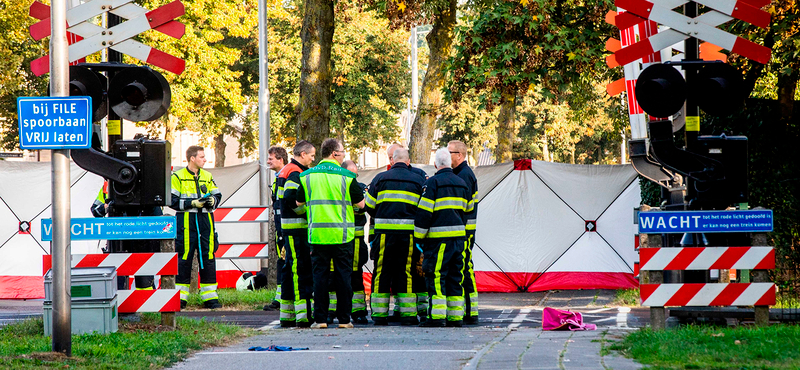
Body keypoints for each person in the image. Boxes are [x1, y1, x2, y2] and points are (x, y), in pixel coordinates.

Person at [295, 138, 365, 329]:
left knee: (320, 278)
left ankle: (320, 320)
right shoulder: (346, 176)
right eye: (342, 152)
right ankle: (344, 320)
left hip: (318, 236)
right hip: (342, 236)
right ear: (335, 154)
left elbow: (299, 204)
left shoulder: (307, 175)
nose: (344, 155)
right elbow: (361, 205)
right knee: (344, 278)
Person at [364, 147, 425, 326]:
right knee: (405, 270)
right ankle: (407, 315)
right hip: (408, 235)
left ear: (392, 161)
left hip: (384, 233)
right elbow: (423, 208)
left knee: (382, 270)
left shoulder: (380, 179)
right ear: (408, 162)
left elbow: (368, 205)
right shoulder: (418, 180)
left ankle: (379, 315)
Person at [414, 148, 472, 327]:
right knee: (455, 276)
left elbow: (424, 213)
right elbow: (468, 211)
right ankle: (455, 317)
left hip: (439, 240)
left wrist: (419, 237)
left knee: (436, 275)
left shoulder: (433, 183)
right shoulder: (462, 183)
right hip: (459, 239)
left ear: (435, 164)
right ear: (449, 163)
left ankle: (437, 317)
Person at [170, 146, 223, 309]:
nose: (204, 159)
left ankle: (210, 297)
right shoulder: (177, 177)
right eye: (201, 157)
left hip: (205, 220)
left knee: (207, 256)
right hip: (186, 222)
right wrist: (191, 203)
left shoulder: (207, 175)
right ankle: (180, 298)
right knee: (184, 258)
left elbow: (217, 194)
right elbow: (171, 200)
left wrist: (213, 201)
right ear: (192, 158)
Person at [384, 143, 429, 322]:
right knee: (397, 273)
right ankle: (400, 308)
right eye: (388, 157)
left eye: (392, 157)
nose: (390, 161)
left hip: (411, 235)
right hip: (394, 235)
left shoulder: (418, 176)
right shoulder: (384, 177)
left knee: (415, 272)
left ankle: (421, 308)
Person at [90, 180, 161, 291]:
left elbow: (157, 216)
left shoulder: (145, 186)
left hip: (141, 240)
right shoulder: (109, 186)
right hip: (118, 241)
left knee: (144, 281)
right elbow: (95, 210)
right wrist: (106, 207)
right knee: (118, 281)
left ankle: (146, 305)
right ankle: (120, 306)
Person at [326, 160, 370, 325]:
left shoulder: (361, 187)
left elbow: (363, 207)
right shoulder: (336, 187)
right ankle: (331, 310)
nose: (354, 178)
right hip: (336, 237)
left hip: (356, 239)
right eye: (351, 175)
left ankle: (358, 311)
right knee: (332, 276)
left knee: (355, 275)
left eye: (355, 175)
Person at [278, 141, 316, 327]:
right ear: (302, 154)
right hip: (296, 229)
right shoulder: (295, 172)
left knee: (290, 269)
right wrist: (309, 212)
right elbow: (291, 201)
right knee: (298, 269)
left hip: (290, 229)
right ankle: (303, 316)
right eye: (311, 155)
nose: (312, 158)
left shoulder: (287, 170)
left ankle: (288, 315)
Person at [448, 140, 480, 325]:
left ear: (459, 155)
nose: (447, 155)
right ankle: (468, 310)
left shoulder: (465, 175)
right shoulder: (460, 174)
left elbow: (463, 208)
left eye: (449, 152)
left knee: (466, 269)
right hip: (463, 232)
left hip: (465, 232)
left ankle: (471, 311)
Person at [265, 146, 289, 311]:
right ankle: (281, 297)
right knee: (282, 261)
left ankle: (283, 298)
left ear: (280, 159)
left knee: (285, 261)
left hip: (286, 228)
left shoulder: (286, 176)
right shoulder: (277, 177)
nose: (268, 162)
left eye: (271, 159)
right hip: (281, 227)